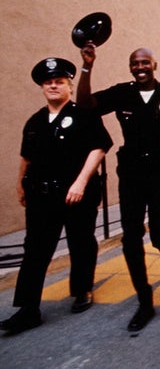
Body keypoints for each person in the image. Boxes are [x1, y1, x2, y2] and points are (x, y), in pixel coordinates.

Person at [76, 45, 160, 331]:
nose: (140, 68)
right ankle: (145, 301)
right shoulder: (122, 93)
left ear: (155, 64)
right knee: (131, 237)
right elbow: (84, 105)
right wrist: (87, 66)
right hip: (132, 176)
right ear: (131, 68)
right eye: (135, 64)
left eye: (145, 63)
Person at [0, 58, 112, 335]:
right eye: (48, 82)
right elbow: (26, 157)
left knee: (81, 242)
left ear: (69, 87)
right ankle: (28, 309)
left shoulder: (84, 115)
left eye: (59, 81)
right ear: (42, 87)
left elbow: (98, 149)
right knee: (35, 250)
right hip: (42, 196)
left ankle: (82, 289)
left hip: (76, 194)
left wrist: (81, 183)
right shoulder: (35, 121)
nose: (53, 85)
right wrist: (19, 185)